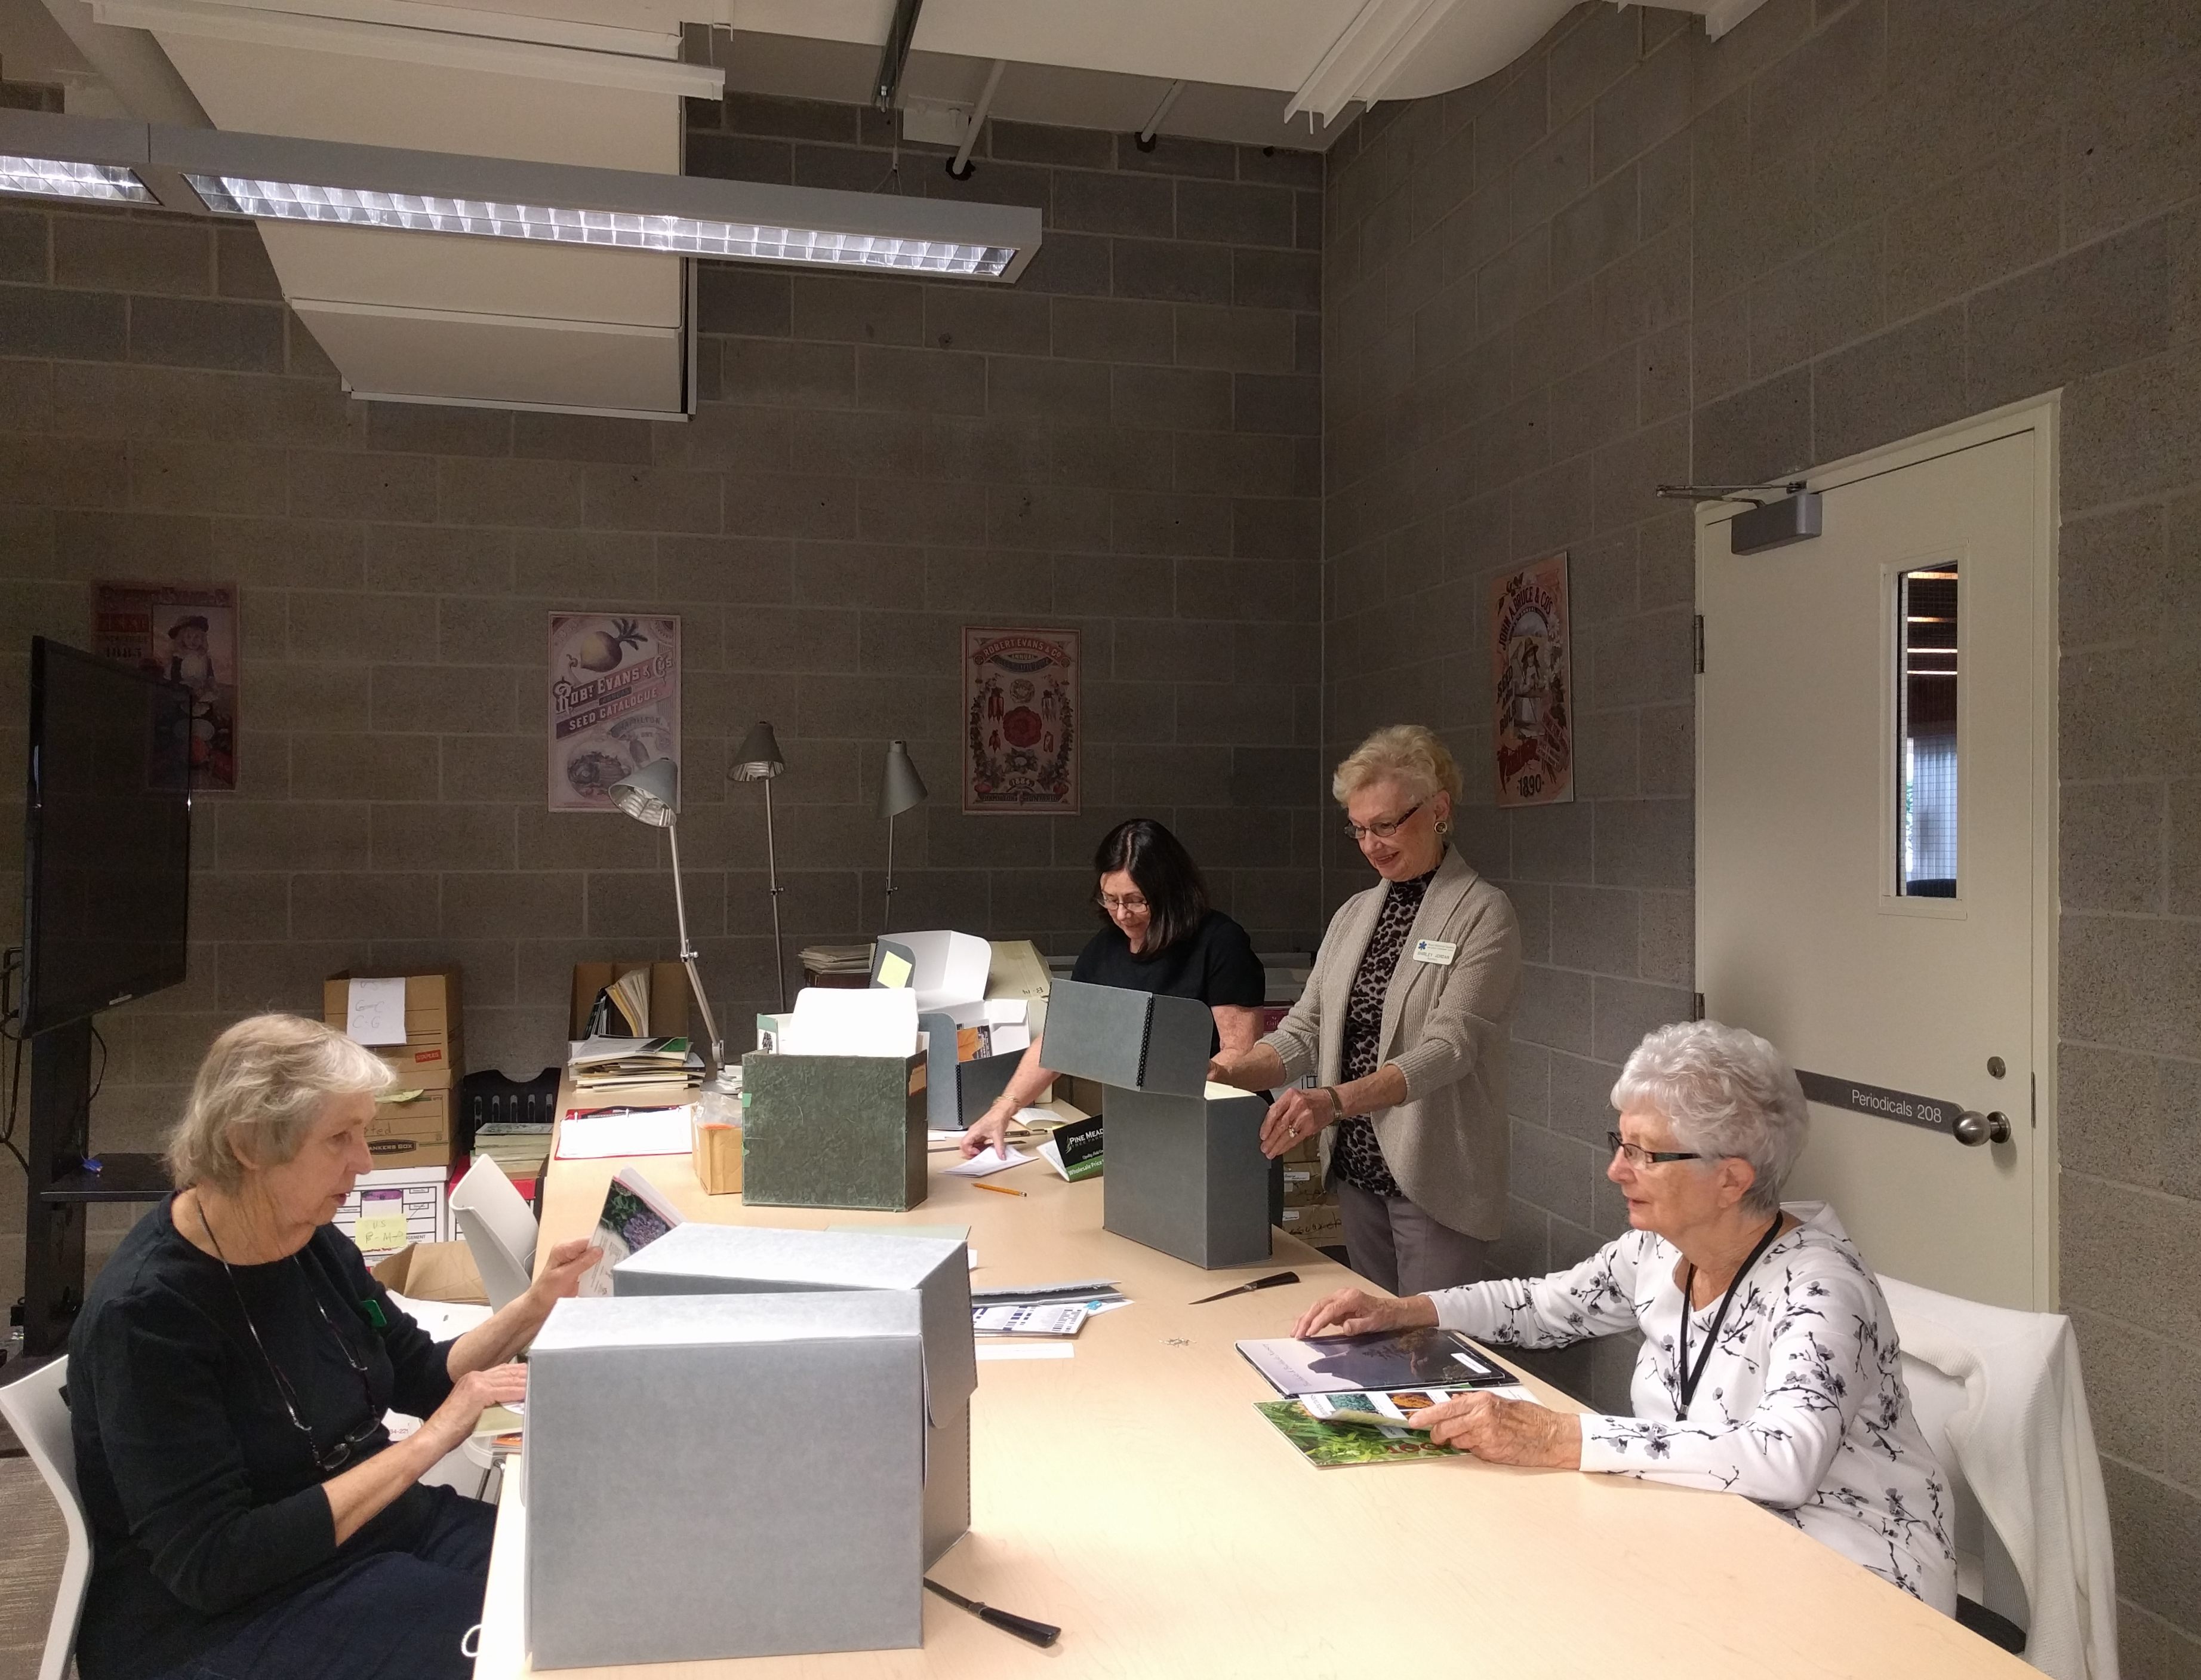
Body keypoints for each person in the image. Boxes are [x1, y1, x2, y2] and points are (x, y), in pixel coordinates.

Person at [1291, 1020, 1958, 1612]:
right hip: (1712, 1533)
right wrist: (1407, 1308)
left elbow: (1784, 1459)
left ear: (1731, 1179)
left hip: (1856, 1576)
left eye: (1644, 1153)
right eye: (1621, 1142)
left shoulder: (1820, 1288)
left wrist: (1560, 1437)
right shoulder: (1660, 1247)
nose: (1616, 1170)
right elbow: (1547, 1305)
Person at [68, 1015, 602, 1680]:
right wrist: (428, 1444)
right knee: (540, 1644)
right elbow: (210, 1564)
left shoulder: (307, 1237)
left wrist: (534, 1307)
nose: (365, 1162)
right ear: (247, 1146)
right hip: (228, 1615)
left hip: (371, 1529)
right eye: (339, 1139)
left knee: (591, 1572)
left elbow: (419, 1374)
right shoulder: (149, 1319)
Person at [1209, 725, 1519, 1294]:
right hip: (1356, 1168)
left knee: (1423, 1351)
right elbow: (1304, 1031)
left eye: (1386, 825)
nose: (1371, 844)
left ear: (1438, 809)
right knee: (1373, 1343)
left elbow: (1449, 1048)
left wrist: (1332, 1101)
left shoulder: (1482, 912)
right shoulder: (1355, 913)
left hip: (1434, 1173)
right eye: (1358, 829)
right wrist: (1224, 1071)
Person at [960, 818, 1266, 1157]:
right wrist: (1002, 1110)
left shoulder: (1220, 943)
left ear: (1170, 893)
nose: (1122, 915)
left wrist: (1195, 1086)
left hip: (1216, 1129)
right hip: (1141, 1131)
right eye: (1110, 899)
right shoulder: (1103, 951)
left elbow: (1240, 1053)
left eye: (1137, 901)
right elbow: (1060, 1040)